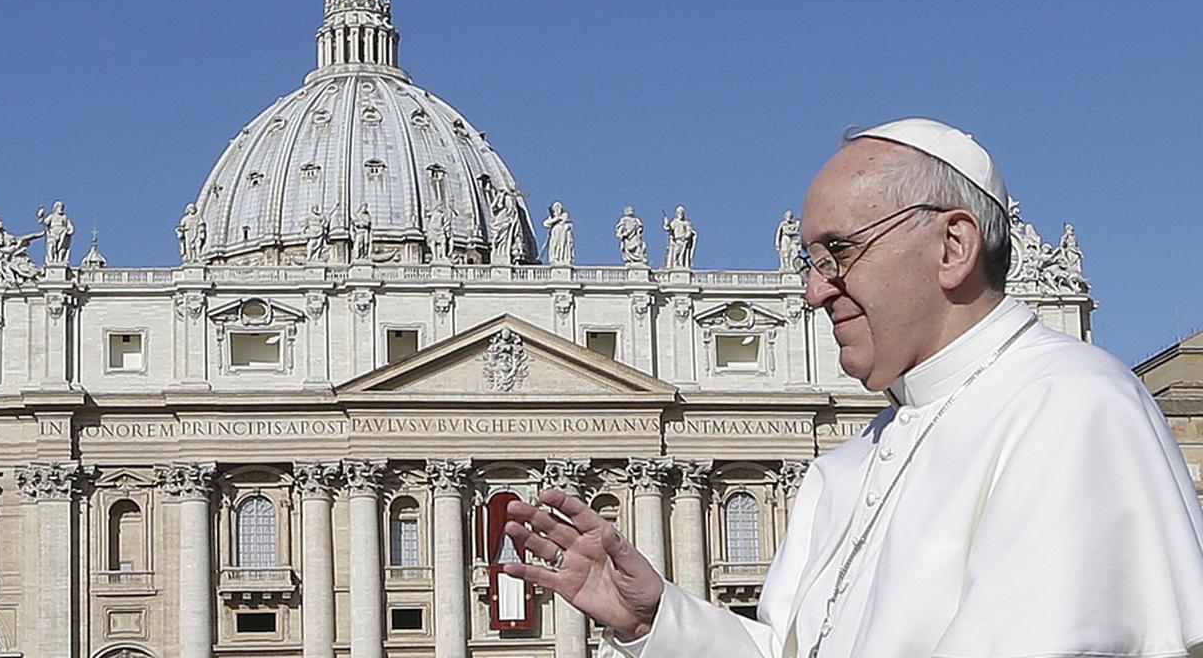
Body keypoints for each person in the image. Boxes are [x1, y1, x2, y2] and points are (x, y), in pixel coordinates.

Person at [503, 117, 1203, 657]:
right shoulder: (850, 463)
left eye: (837, 252)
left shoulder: (1072, 406)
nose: (811, 291)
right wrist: (656, 619)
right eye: (809, 259)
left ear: (953, 247)